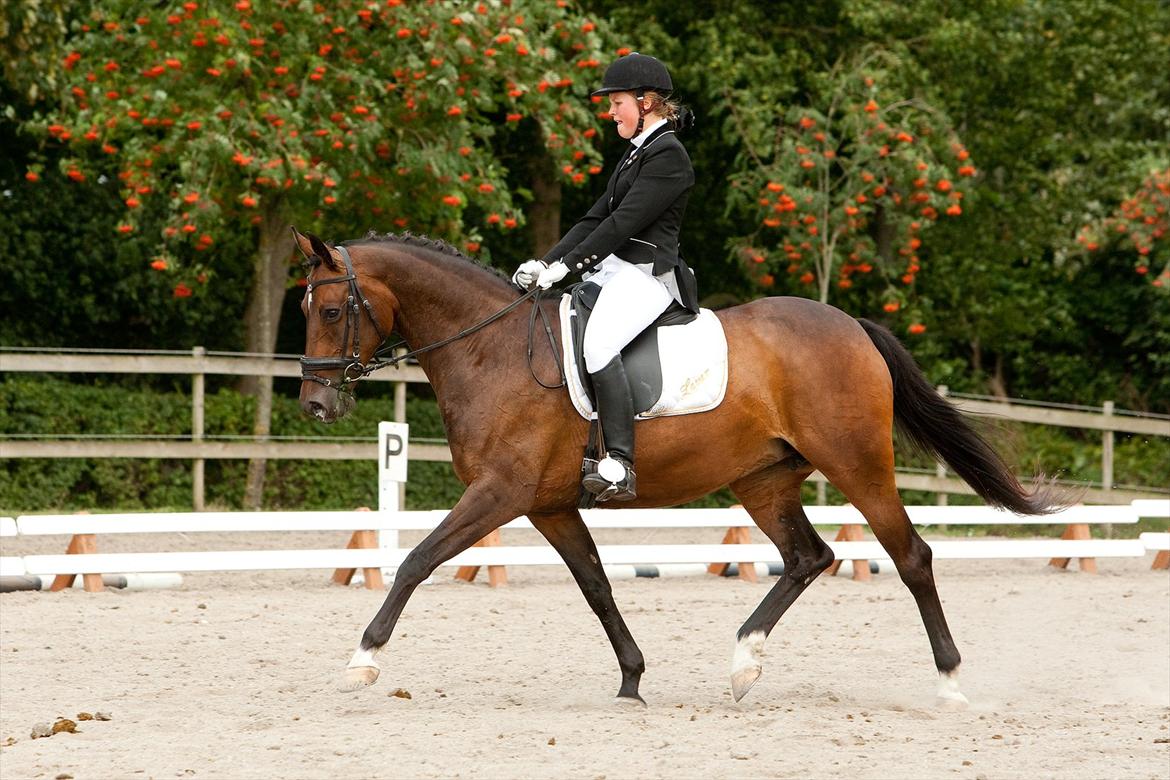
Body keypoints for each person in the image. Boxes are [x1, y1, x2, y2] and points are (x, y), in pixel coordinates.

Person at [512, 52, 698, 502]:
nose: (611, 111)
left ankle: (618, 463)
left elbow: (622, 226)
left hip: (649, 275)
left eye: (617, 103)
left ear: (647, 101)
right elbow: (594, 218)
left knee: (598, 344)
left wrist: (566, 268)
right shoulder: (636, 154)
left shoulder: (668, 156)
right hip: (615, 270)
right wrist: (545, 262)